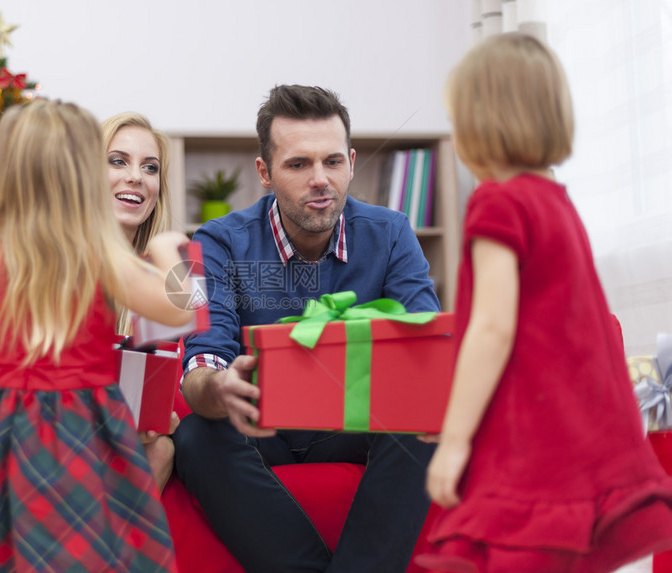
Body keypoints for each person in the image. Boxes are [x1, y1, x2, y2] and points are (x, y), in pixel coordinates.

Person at [417, 33, 672, 572]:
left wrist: (456, 440)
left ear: (480, 122)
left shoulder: (497, 203)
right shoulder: (557, 203)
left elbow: (492, 329)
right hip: (575, 435)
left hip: (531, 446)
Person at [173, 84, 441, 572]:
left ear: (352, 163)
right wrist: (218, 386)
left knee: (428, 424)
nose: (320, 179)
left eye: (332, 162)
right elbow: (202, 359)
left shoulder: (392, 232)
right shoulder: (214, 241)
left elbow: (424, 353)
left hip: (351, 426)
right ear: (265, 173)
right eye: (298, 164)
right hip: (259, 428)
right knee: (195, 435)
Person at [0, 99, 192, 572]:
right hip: (77, 427)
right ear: (83, 177)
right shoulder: (103, 257)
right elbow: (183, 311)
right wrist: (172, 250)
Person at [101, 111, 178, 493]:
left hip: (126, 439)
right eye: (118, 161)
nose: (136, 177)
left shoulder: (165, 271)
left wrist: (160, 420)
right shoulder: (57, 260)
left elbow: (167, 388)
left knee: (162, 447)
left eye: (150, 168)